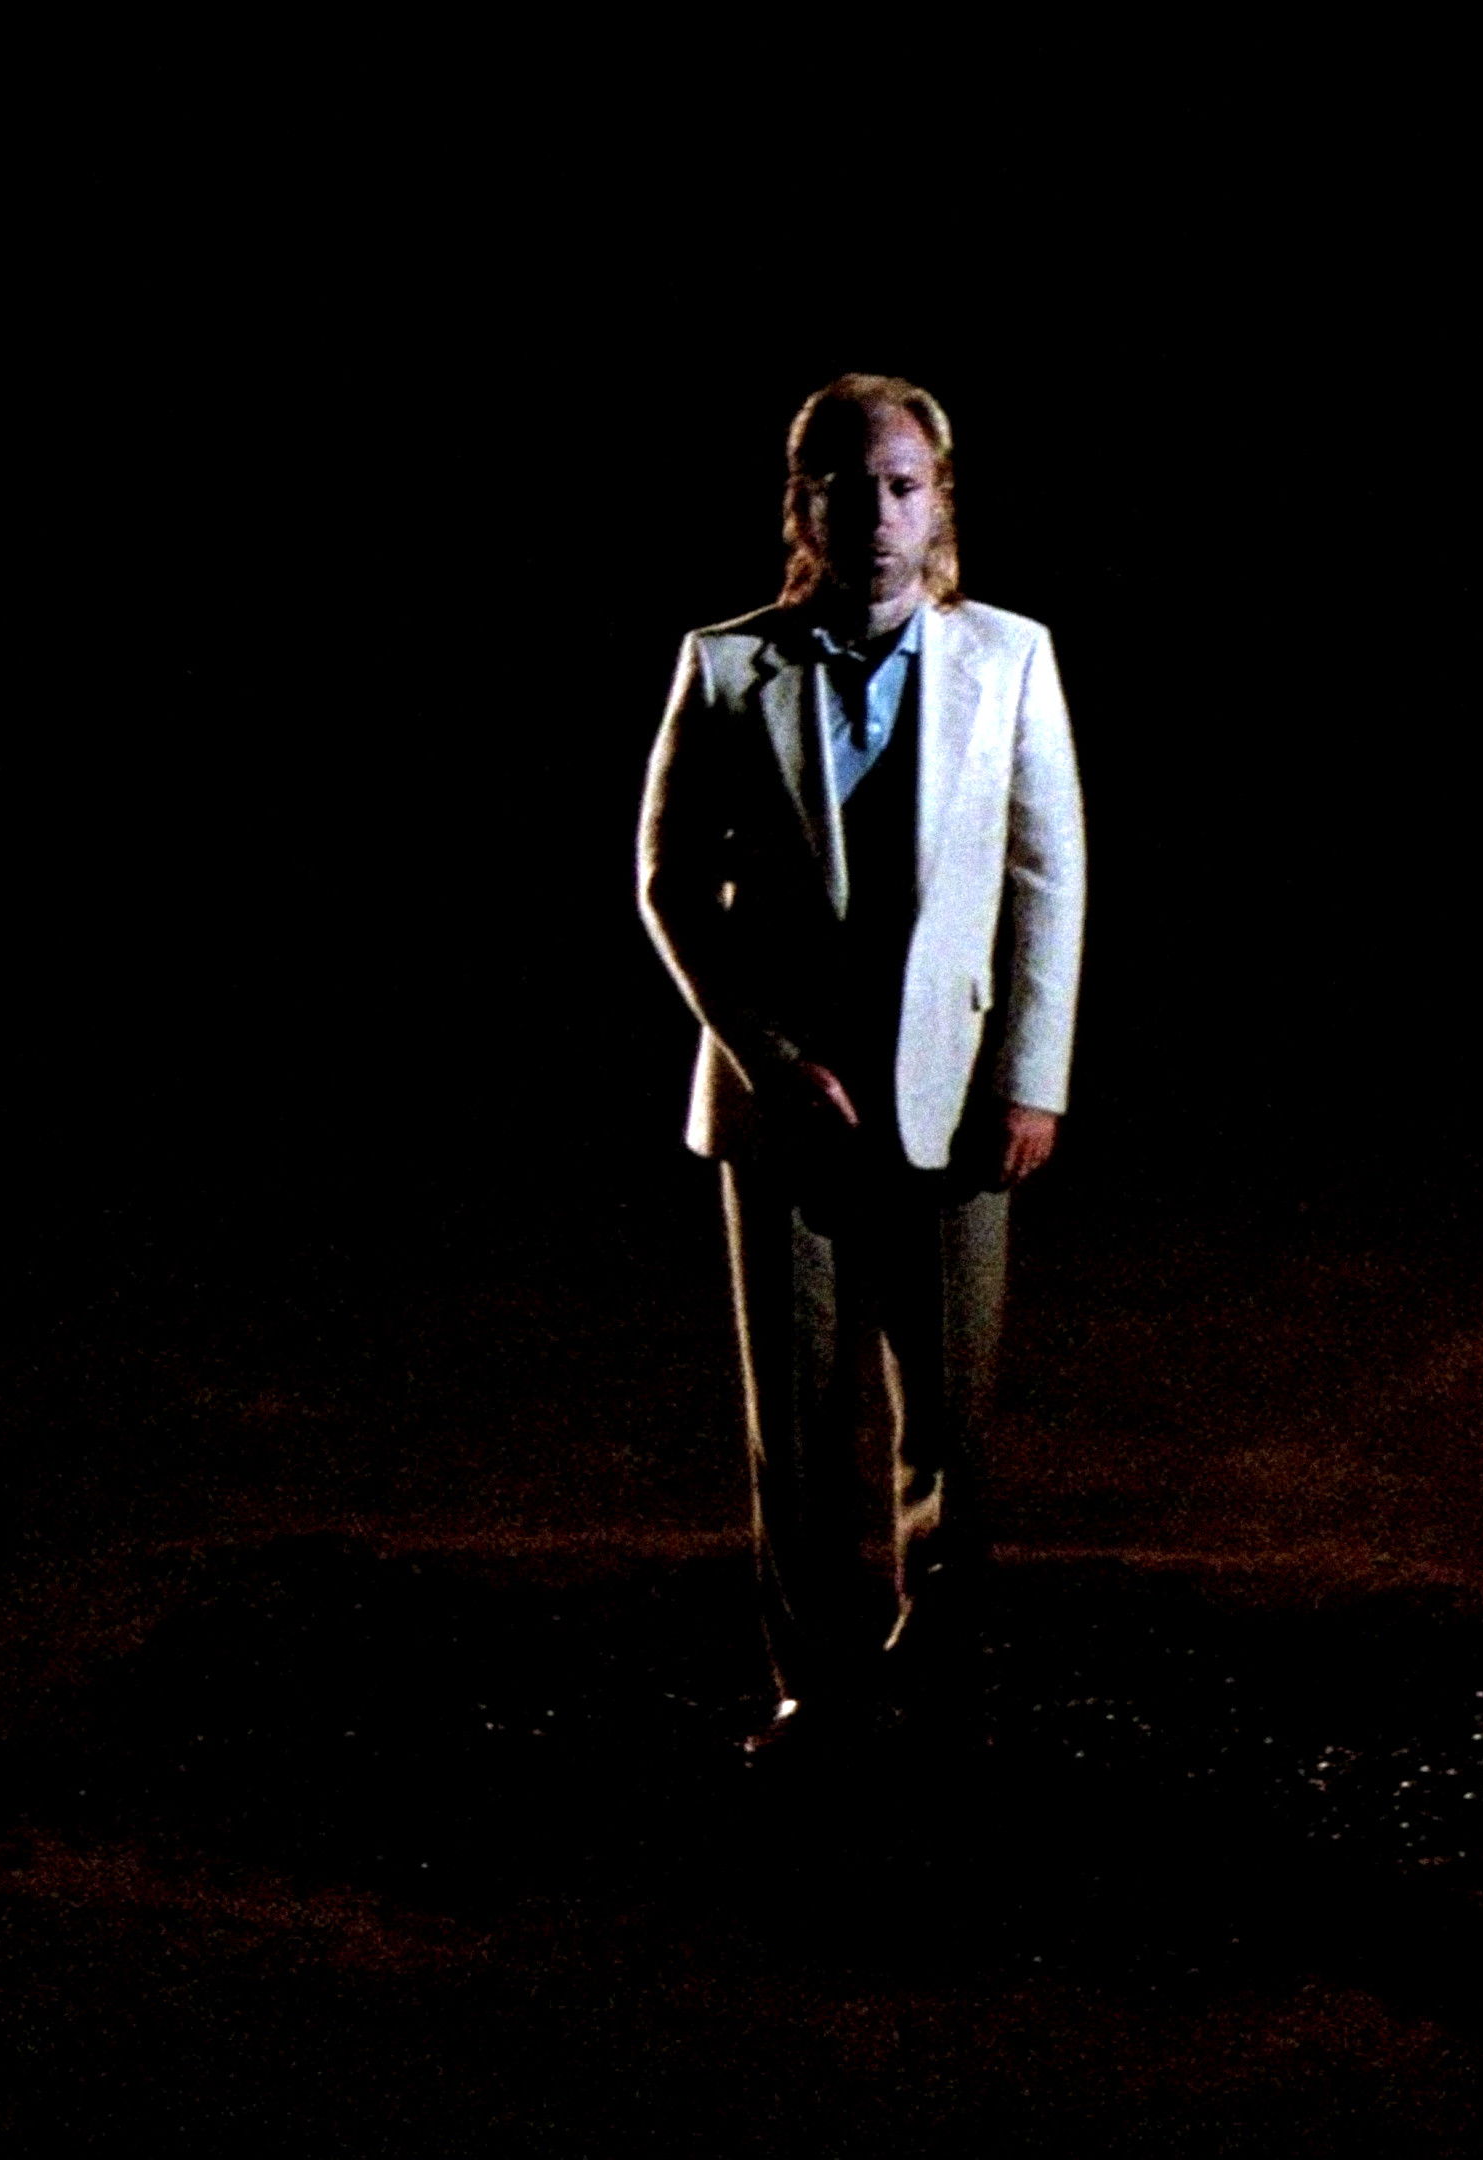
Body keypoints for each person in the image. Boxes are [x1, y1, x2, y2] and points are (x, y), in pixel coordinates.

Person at [636, 373, 1085, 1761]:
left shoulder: (1010, 656)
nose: (877, 515)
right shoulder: (728, 666)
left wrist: (1033, 1077)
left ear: (939, 503)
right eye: (846, 487)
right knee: (797, 1424)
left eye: (902, 487)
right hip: (787, 1113)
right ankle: (814, 1692)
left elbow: (1047, 877)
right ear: (803, 505)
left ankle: (937, 1678)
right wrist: (767, 1060)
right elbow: (667, 883)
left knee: (948, 1420)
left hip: (956, 1104)